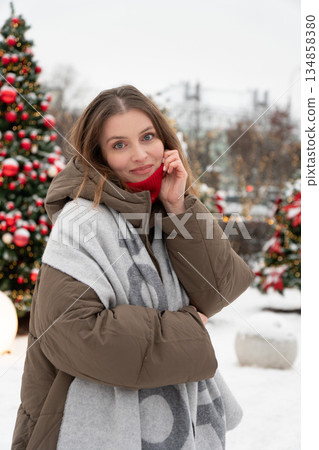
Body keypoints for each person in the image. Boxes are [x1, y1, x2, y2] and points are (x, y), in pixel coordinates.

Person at [11, 85, 255, 450]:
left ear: (164, 139)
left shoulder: (164, 207)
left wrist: (178, 207)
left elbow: (219, 288)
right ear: (99, 156)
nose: (141, 155)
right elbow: (74, 333)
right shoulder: (81, 220)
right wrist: (189, 328)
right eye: (120, 144)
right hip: (84, 423)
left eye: (147, 137)